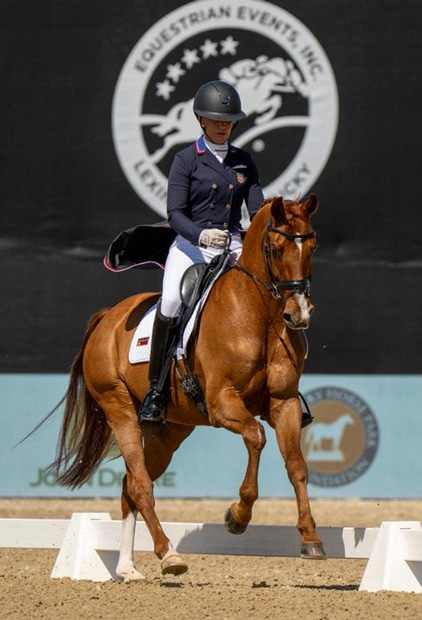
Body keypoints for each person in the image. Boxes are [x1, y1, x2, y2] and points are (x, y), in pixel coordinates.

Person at [138, 80, 264, 424]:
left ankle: (282, 382)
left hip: (232, 244)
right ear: (201, 120)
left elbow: (258, 210)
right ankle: (155, 391)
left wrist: (263, 233)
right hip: (192, 246)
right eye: (215, 120)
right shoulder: (185, 160)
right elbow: (175, 214)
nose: (222, 126)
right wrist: (201, 235)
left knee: (264, 294)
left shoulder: (243, 161)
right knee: (171, 303)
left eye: (227, 121)